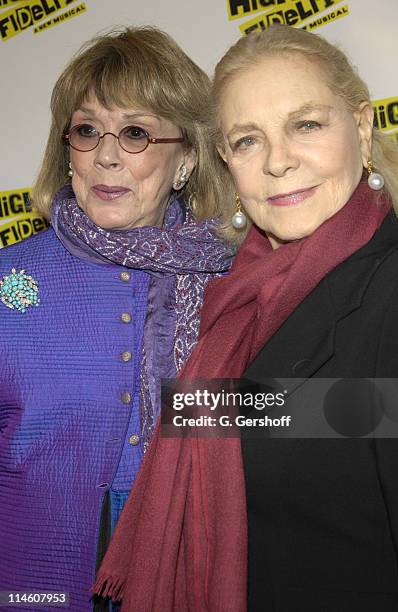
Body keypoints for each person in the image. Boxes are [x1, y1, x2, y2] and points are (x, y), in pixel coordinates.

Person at [94, 24, 398, 612]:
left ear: (362, 129)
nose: (278, 162)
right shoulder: (234, 305)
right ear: (226, 163)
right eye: (247, 140)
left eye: (306, 125)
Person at [0, 26, 234, 611]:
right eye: (86, 130)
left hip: (187, 588)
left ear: (186, 158)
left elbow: (298, 426)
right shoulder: (8, 284)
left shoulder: (234, 285)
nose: (106, 154)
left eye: (135, 133)